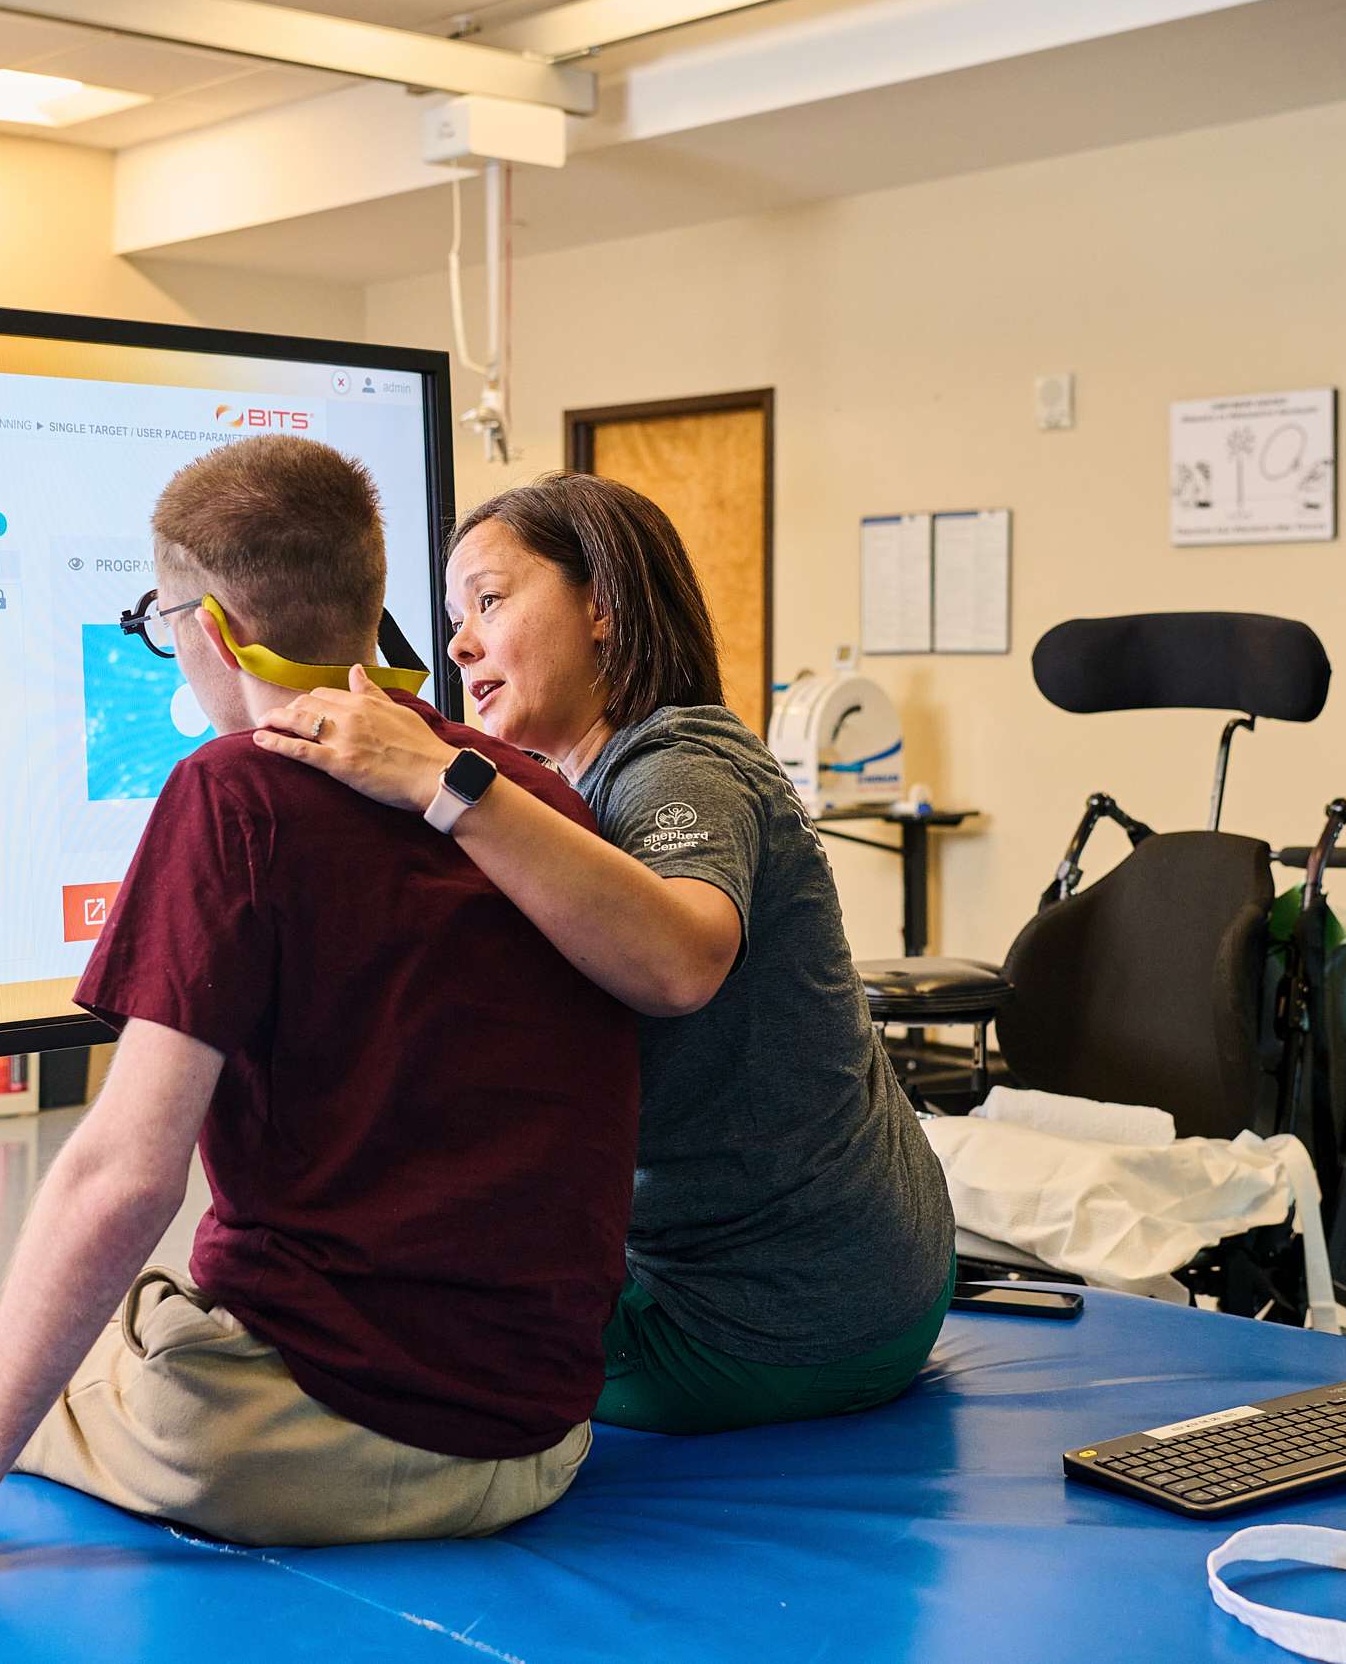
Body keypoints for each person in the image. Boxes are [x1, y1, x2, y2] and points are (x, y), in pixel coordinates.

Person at [0, 437, 639, 1605]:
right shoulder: (517, 793)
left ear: (207, 628)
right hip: (542, 1429)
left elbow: (121, 1177)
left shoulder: (234, 788)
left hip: (331, 1430)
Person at [252, 472, 955, 1437]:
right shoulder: (574, 791)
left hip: (778, 1320)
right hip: (867, 1271)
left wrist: (439, 778)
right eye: (455, 620)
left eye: (489, 601)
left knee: (374, 1355)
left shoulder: (680, 763)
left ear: (604, 608)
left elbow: (678, 961)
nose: (460, 645)